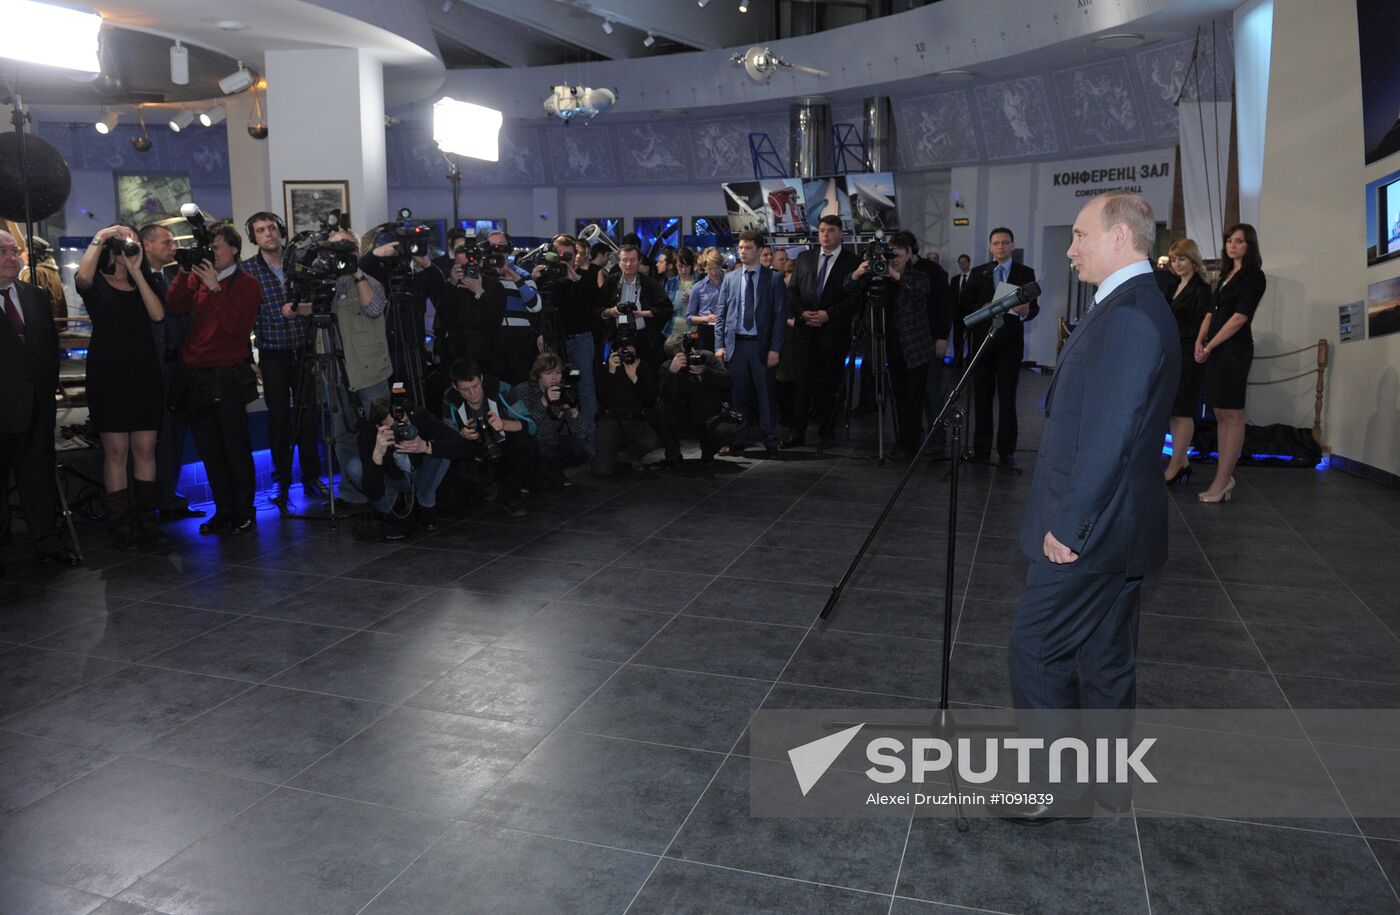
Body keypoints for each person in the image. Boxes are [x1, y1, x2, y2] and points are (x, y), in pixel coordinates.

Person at [1007, 191, 1177, 823]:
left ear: (1120, 238)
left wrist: (1070, 527)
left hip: (1094, 527)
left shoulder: (1129, 316)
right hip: (1122, 528)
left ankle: (1053, 791)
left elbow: (1111, 435)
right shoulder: (1133, 305)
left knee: (1037, 646)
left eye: (1080, 236)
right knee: (1105, 658)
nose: (1070, 248)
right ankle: (1108, 784)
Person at [282, 228, 391, 507]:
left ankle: (385, 496)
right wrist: (296, 309)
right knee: (343, 438)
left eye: (349, 245)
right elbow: (321, 310)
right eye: (338, 247)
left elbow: (374, 307)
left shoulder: (369, 283)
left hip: (369, 376)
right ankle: (353, 493)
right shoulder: (328, 285)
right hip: (336, 377)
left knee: (379, 435)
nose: (345, 251)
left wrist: (357, 272)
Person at [165, 223, 262, 536]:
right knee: (209, 450)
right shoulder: (197, 279)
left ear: (234, 249)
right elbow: (175, 306)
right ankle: (223, 511)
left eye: (217, 247)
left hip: (228, 374)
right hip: (197, 377)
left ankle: (245, 511)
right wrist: (183, 274)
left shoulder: (246, 284)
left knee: (235, 447)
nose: (211, 253)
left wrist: (216, 289)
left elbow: (236, 328)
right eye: (208, 248)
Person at [75, 224, 168, 548]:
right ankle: (120, 525)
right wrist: (100, 235)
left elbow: (157, 315)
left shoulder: (147, 281)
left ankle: (147, 519)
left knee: (145, 448)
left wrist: (136, 271)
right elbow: (81, 279)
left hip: (143, 372)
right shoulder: (95, 283)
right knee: (116, 451)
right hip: (108, 373)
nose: (129, 243)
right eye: (124, 239)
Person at [0, 229, 82, 569]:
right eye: (2, 252)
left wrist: (47, 392)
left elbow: (48, 349)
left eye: (13, 250)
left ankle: (48, 543)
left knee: (38, 479)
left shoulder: (33, 295)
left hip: (37, 408)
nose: (11, 257)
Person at [243, 211, 327, 502]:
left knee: (308, 417)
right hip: (272, 355)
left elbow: (318, 306)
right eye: (261, 230)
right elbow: (241, 318)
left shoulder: (301, 263)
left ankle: (312, 478)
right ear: (253, 237)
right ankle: (281, 481)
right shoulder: (248, 271)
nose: (268, 233)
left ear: (280, 230)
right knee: (278, 420)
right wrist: (248, 358)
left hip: (304, 351)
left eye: (272, 228)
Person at [845, 234, 937, 460]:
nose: (893, 258)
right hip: (890, 346)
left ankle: (911, 443)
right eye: (890, 252)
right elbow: (848, 286)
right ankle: (901, 441)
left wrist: (893, 274)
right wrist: (859, 272)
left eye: (898, 253)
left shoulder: (919, 276)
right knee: (899, 399)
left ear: (908, 255)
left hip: (915, 349)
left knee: (914, 398)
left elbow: (918, 291)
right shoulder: (879, 275)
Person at [1196, 224, 1266, 504]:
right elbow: (1212, 311)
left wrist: (1210, 345)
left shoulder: (1254, 276)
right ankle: (1222, 477)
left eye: (1239, 241)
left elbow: (1239, 318)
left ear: (1250, 246)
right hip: (1215, 350)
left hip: (1234, 350)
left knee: (1232, 414)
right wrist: (1200, 341)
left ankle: (1223, 479)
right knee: (1220, 414)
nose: (1233, 245)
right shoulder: (1226, 275)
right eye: (1229, 240)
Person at [139, 223, 204, 521]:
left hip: (177, 367)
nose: (173, 247)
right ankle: (149, 501)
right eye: (165, 242)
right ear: (147, 245)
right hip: (152, 369)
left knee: (174, 434)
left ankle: (168, 495)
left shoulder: (170, 277)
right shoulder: (137, 280)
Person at [959, 227, 1038, 465]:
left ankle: (1006, 449)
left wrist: (1025, 310)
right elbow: (964, 306)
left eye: (1005, 243)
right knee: (982, 398)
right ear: (990, 247)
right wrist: (981, 308)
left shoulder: (1025, 272)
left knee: (1007, 398)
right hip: (982, 344)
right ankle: (981, 448)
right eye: (996, 243)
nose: (1001, 247)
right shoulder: (979, 272)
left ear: (1012, 246)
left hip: (1010, 345)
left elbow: (1034, 308)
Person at [782, 215, 860, 448]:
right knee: (802, 385)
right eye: (822, 230)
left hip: (833, 333)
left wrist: (828, 315)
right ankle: (798, 432)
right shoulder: (805, 258)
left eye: (831, 230)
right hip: (805, 332)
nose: (825, 234)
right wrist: (803, 313)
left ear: (840, 233)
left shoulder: (852, 262)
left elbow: (854, 299)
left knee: (829, 386)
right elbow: (792, 292)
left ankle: (827, 432)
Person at [350, 394, 464, 539]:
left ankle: (425, 505)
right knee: (355, 467)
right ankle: (389, 510)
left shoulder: (418, 416)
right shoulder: (369, 434)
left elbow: (457, 442)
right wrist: (377, 456)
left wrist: (425, 446)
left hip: (418, 473)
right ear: (380, 427)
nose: (401, 431)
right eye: (394, 427)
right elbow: (373, 492)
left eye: (403, 423)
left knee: (440, 449)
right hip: (390, 479)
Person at [714, 230, 786, 457]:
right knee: (738, 398)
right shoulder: (731, 277)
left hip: (761, 346)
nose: (742, 251)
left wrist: (775, 348)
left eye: (747, 248)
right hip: (737, 346)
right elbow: (721, 314)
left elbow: (780, 317)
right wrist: (720, 345)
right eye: (740, 247)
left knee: (766, 396)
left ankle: (771, 441)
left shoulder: (773, 278)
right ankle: (738, 440)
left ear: (760, 250)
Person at [441, 357, 533, 518]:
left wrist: (504, 424)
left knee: (524, 441)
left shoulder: (502, 389)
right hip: (475, 452)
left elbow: (531, 425)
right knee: (451, 504)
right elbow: (447, 437)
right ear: (455, 387)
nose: (473, 393)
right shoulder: (449, 399)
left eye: (475, 386)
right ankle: (484, 485)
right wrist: (462, 435)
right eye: (465, 389)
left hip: (505, 447)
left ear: (481, 378)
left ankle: (511, 493)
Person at [1161, 239, 1212, 485]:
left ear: (1193, 260)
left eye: (1182, 258)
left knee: (1182, 410)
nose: (1177, 264)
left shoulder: (1202, 288)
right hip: (1173, 350)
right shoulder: (1172, 286)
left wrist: (1199, 342)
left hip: (1189, 351)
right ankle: (1183, 462)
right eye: (1173, 259)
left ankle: (1175, 466)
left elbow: (1206, 319)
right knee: (1173, 411)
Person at [512, 352, 595, 475]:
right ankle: (543, 474)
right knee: (543, 454)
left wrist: (573, 412)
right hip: (532, 446)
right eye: (549, 373)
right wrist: (544, 401)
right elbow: (527, 429)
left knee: (588, 450)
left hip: (553, 443)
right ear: (538, 375)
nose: (554, 377)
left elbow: (581, 433)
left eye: (558, 372)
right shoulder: (523, 391)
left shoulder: (562, 391)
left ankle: (550, 473)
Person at [657, 337, 734, 465]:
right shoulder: (668, 367)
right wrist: (672, 373)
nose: (689, 357)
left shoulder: (706, 358)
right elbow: (664, 395)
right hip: (683, 417)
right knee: (660, 410)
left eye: (690, 352)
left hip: (708, 414)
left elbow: (728, 380)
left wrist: (706, 372)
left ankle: (708, 451)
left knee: (726, 430)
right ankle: (673, 454)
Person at [593, 341, 660, 476]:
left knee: (652, 440)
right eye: (624, 353)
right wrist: (611, 372)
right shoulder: (607, 370)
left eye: (632, 354)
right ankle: (611, 453)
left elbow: (650, 400)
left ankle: (633, 454)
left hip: (634, 419)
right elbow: (602, 399)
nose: (628, 357)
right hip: (611, 420)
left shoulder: (642, 368)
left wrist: (634, 378)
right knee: (601, 471)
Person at [601, 245, 671, 365]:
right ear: (618, 263)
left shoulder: (650, 284)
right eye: (625, 260)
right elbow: (597, 308)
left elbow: (666, 309)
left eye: (632, 260)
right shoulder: (611, 282)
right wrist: (610, 311)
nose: (628, 264)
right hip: (617, 339)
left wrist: (643, 313)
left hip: (644, 339)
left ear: (639, 262)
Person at [686, 247, 725, 351]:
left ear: (721, 265)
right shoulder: (698, 287)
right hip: (705, 332)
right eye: (709, 268)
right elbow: (689, 318)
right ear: (704, 267)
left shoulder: (729, 283)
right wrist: (705, 318)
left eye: (717, 267)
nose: (714, 272)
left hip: (725, 330)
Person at [20, 236, 65, 320]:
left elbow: (27, 303)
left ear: (30, 253)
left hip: (41, 326)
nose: (21, 255)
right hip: (56, 325)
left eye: (24, 251)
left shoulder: (32, 273)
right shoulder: (51, 271)